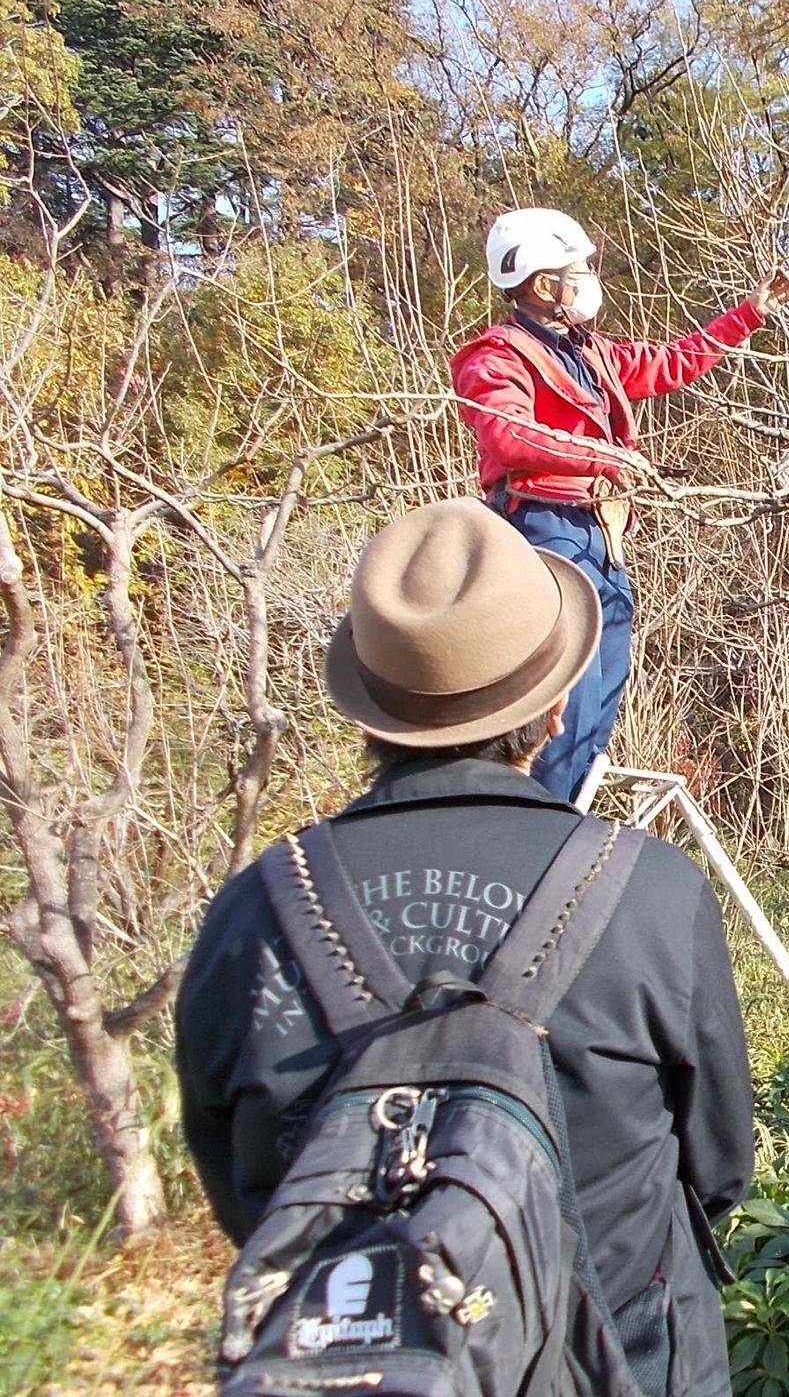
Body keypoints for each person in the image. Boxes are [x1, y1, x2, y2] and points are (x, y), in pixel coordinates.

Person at [177, 498, 757, 1397]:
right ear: (557, 709)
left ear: (372, 715)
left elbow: (243, 1192)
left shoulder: (255, 910)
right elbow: (718, 1168)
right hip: (629, 1365)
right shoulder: (649, 893)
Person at [451, 207, 789, 802]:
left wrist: (748, 316)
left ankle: (567, 826)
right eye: (578, 267)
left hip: (600, 536)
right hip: (545, 532)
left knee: (603, 697)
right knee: (566, 704)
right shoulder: (495, 358)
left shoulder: (591, 352)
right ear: (541, 284)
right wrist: (608, 459)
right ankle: (541, 832)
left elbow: (671, 362)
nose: (589, 277)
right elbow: (508, 435)